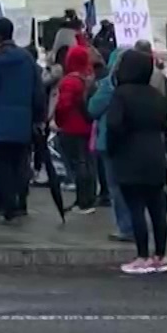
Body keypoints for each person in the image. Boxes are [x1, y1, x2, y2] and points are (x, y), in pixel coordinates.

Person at [105, 48, 167, 274]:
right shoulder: (156, 95)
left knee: (135, 208)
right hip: (155, 153)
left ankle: (142, 255)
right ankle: (161, 255)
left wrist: (115, 147)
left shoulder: (121, 94)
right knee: (157, 209)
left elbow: (114, 125)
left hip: (130, 154)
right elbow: (165, 124)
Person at [0, 17, 44, 222]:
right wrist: (37, 117)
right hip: (23, 122)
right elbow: (38, 91)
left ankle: (10, 206)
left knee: (1, 166)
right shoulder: (28, 60)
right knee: (16, 164)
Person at [86, 46, 136, 242]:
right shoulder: (142, 84)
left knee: (116, 186)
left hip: (110, 140)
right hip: (134, 142)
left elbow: (93, 108)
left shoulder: (110, 85)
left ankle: (125, 226)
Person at [50, 42, 97, 211]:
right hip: (86, 126)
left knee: (78, 164)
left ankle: (83, 201)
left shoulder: (70, 81)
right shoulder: (88, 78)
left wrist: (58, 121)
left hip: (72, 126)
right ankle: (88, 198)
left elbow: (63, 105)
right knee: (87, 163)